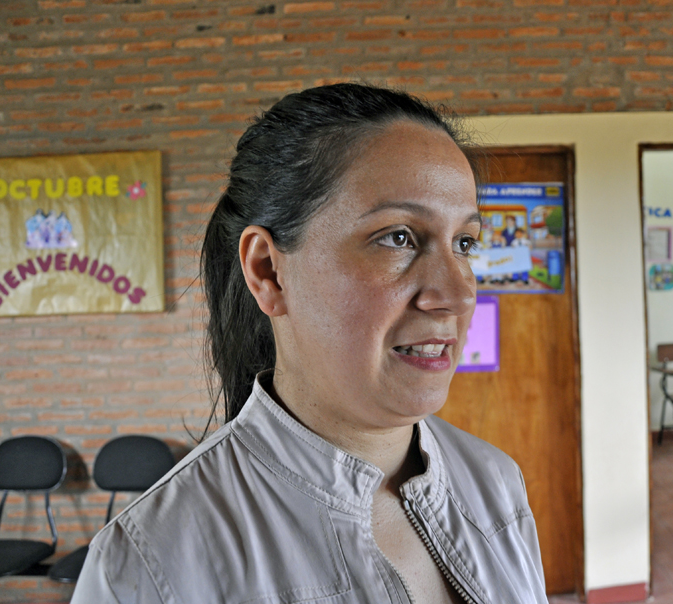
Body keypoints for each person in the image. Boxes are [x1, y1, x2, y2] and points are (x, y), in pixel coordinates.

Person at [71, 83, 547, 603]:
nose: (457, 295)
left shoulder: (495, 482)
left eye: (464, 243)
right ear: (268, 272)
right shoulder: (150, 564)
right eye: (398, 237)